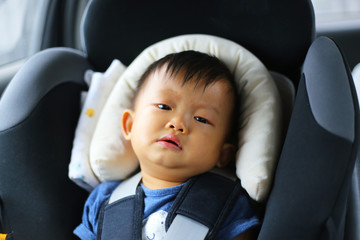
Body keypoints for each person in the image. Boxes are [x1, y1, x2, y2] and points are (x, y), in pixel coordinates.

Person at [74, 50, 260, 240]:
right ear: (130, 125)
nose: (177, 124)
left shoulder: (227, 205)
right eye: (164, 107)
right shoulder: (104, 199)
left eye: (201, 119)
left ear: (223, 154)